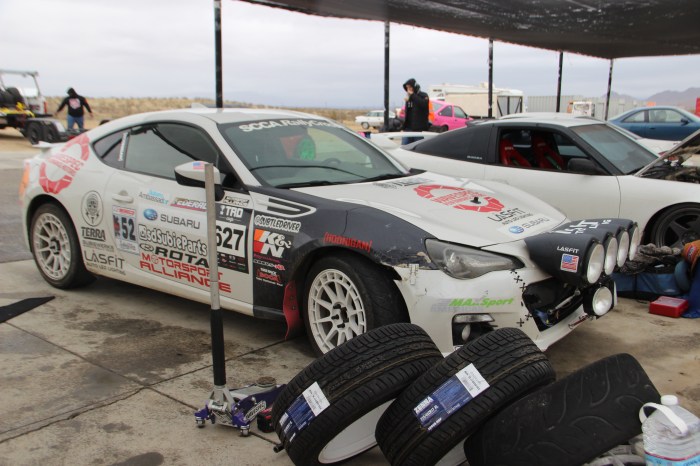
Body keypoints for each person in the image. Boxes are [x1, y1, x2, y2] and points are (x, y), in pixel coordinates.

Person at [401, 78, 430, 145]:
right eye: (407, 88)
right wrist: (403, 127)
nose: (408, 89)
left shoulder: (423, 95)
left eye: (410, 87)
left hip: (418, 129)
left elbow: (424, 104)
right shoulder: (409, 97)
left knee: (417, 147)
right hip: (408, 129)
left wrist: (413, 95)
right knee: (404, 147)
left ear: (414, 86)